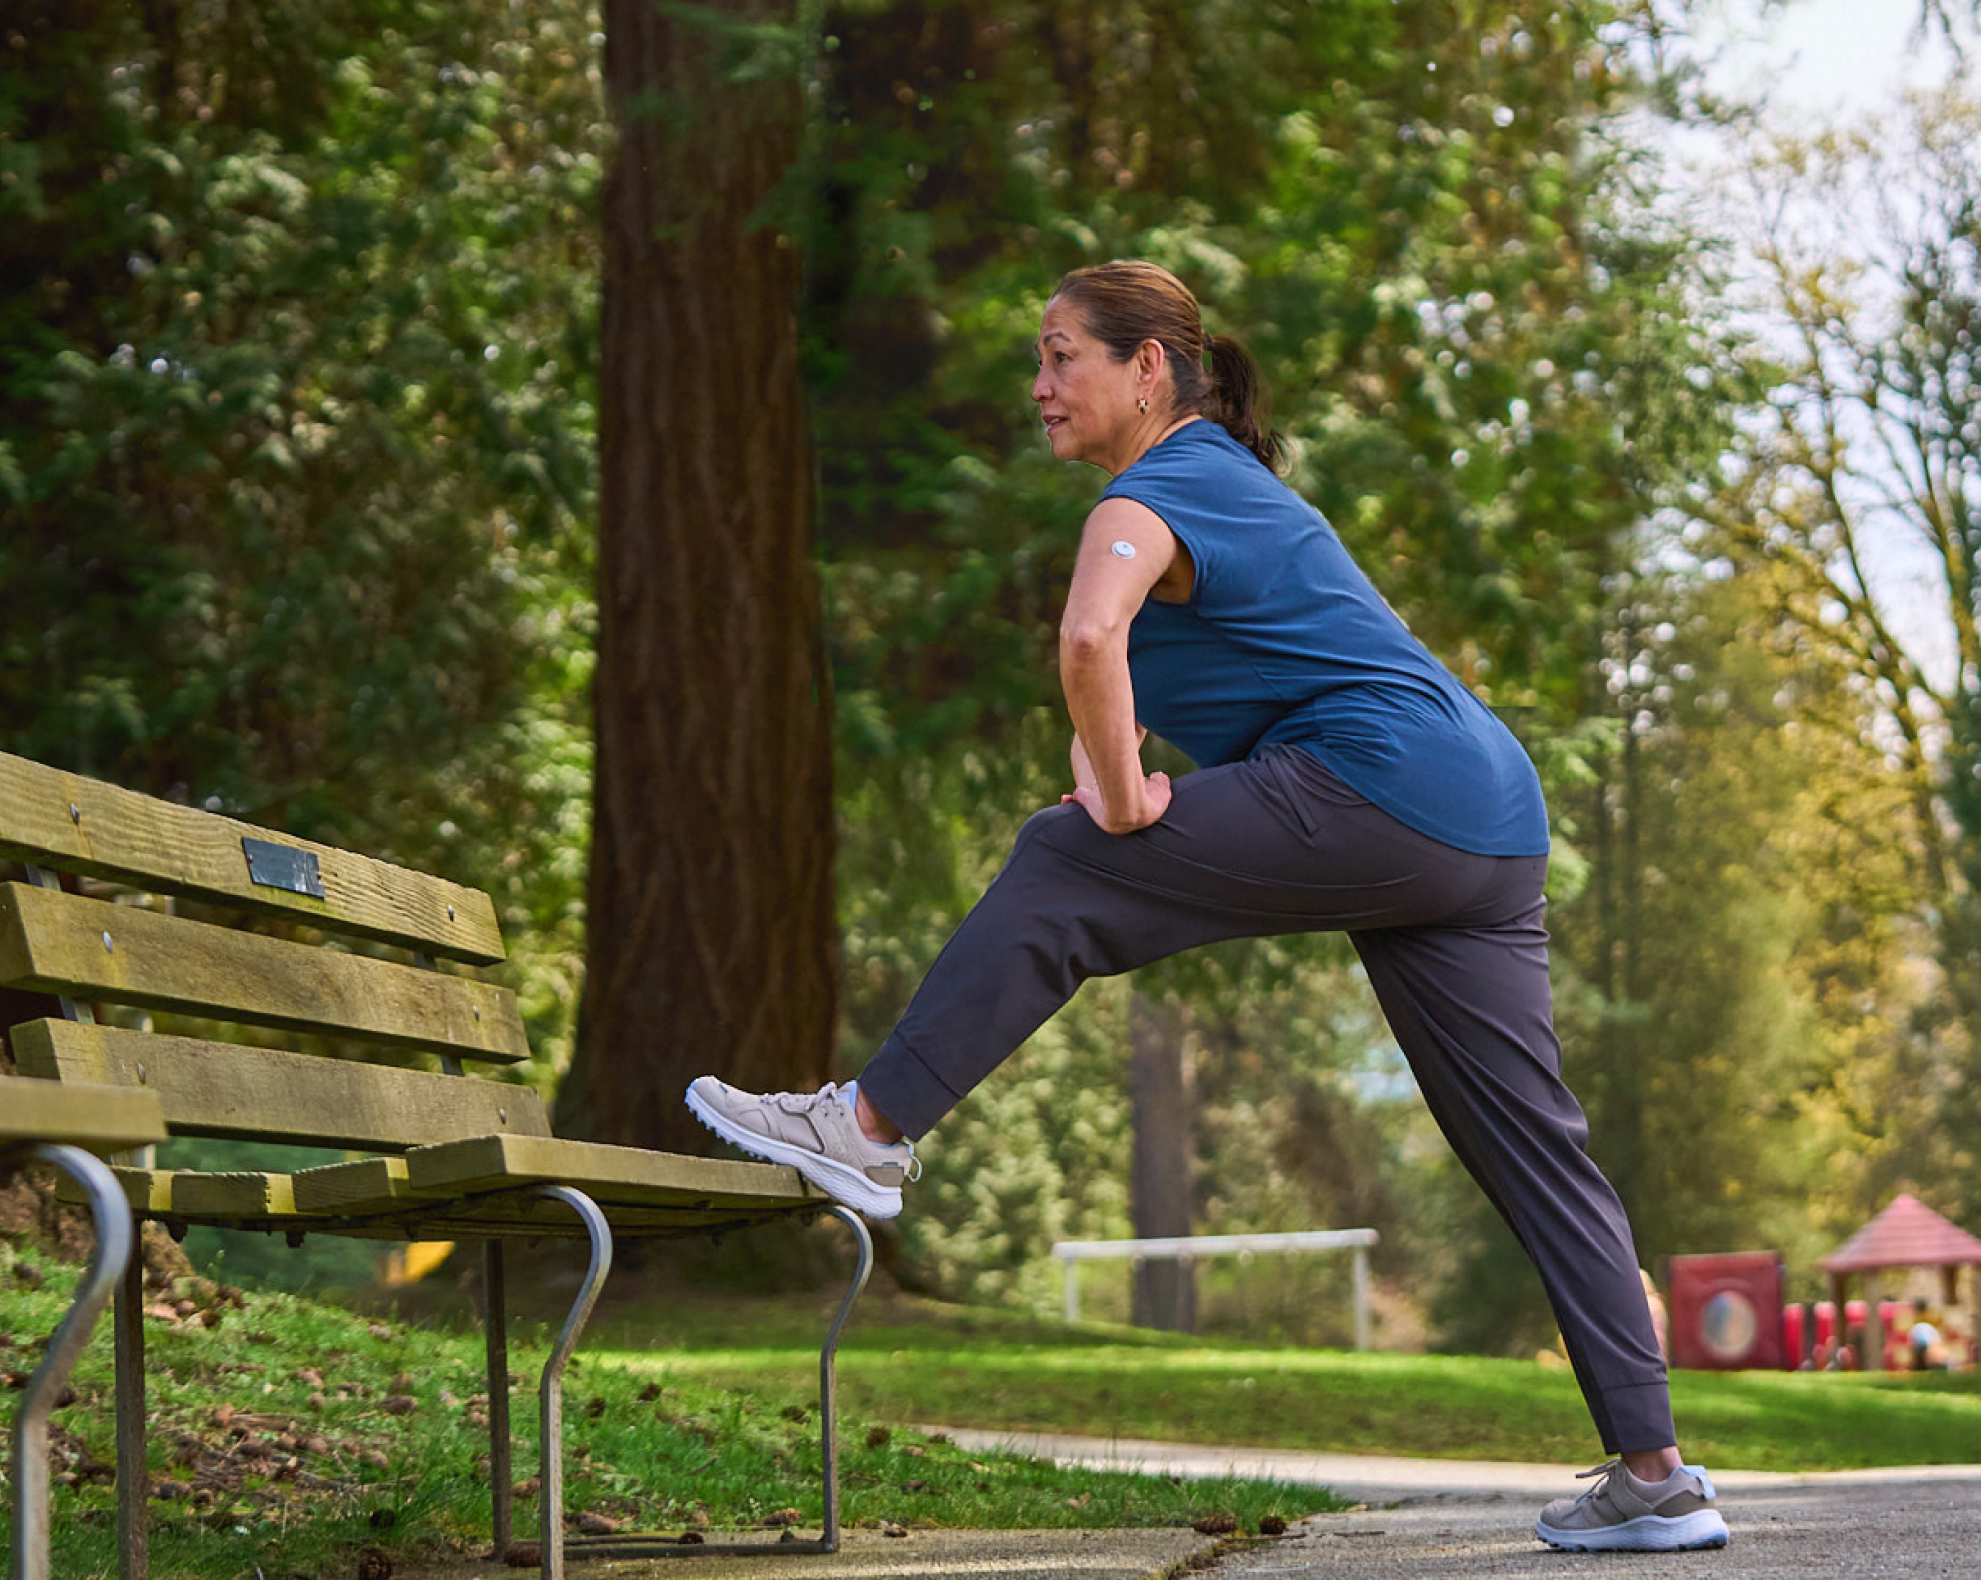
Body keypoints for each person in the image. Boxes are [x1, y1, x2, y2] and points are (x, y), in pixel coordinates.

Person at [685, 259, 1727, 1556]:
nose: (1040, 382)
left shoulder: (1159, 484)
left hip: (1389, 782)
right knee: (1530, 1143)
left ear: (1148, 370)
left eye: (1064, 353)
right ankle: (1657, 1474)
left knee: (1062, 860)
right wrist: (1112, 794)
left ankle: (867, 1127)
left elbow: (1086, 647)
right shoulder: (1217, 493)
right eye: (1039, 356)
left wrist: (1116, 810)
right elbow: (1100, 730)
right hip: (1486, 818)